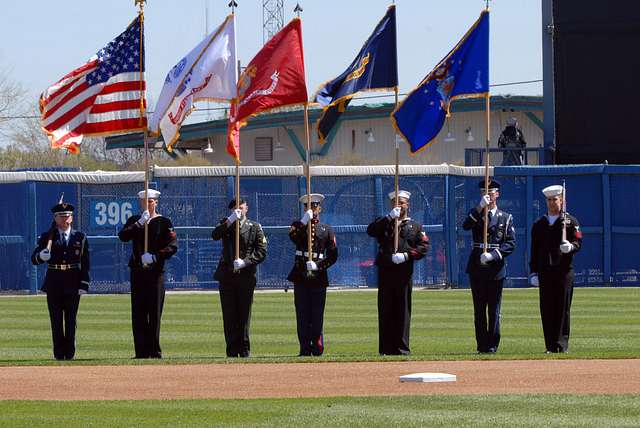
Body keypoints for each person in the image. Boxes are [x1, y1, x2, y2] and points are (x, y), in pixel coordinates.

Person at [367, 190, 430, 355]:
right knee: (385, 308)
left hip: (404, 271)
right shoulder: (384, 222)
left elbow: (424, 247)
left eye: (402, 202)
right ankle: (386, 348)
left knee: (403, 309)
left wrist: (406, 255)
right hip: (386, 270)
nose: (399, 205)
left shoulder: (415, 226)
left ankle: (402, 348)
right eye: (395, 202)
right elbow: (371, 230)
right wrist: (389, 217)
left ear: (407, 204)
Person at [118, 189, 177, 359]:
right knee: (138, 312)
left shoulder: (164, 222)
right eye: (144, 201)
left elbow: (173, 245)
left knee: (154, 311)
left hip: (155, 272)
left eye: (151, 201)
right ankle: (141, 352)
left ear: (156, 202)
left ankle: (154, 350)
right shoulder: (134, 220)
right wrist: (139, 224)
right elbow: (123, 236)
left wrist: (156, 256)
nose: (148, 204)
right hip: (138, 271)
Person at [462, 179, 516, 354]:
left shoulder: (506, 217)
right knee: (479, 308)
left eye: (492, 192)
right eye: (485, 192)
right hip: (477, 265)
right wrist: (479, 208)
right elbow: (465, 226)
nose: (489, 195)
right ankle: (481, 345)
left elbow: (510, 244)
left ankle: (492, 344)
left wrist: (493, 255)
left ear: (497, 194)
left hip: (495, 268)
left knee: (494, 308)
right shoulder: (476, 213)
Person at [31, 199, 90, 360]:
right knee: (56, 319)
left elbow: (85, 263)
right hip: (54, 281)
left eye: (67, 216)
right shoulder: (47, 237)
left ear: (71, 218)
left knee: (71, 319)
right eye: (61, 216)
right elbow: (34, 260)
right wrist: (41, 256)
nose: (64, 219)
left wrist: (84, 283)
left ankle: (69, 353)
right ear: (55, 219)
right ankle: (58, 353)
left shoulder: (80, 237)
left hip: (73, 280)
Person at [529, 184, 582, 353]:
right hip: (545, 271)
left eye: (555, 199)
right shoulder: (539, 224)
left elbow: (579, 242)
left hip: (564, 271)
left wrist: (571, 247)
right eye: (549, 200)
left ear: (562, 200)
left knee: (562, 308)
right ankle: (549, 345)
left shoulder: (570, 221)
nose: (552, 203)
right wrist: (533, 272)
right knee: (547, 308)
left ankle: (561, 344)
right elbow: (534, 250)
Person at [212, 198, 267, 357]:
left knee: (244, 314)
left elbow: (261, 252)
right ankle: (231, 349)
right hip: (227, 276)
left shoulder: (254, 227)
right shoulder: (227, 224)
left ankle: (243, 349)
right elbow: (215, 235)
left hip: (246, 276)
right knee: (229, 314)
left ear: (246, 208)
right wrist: (230, 220)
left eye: (241, 208)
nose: (239, 211)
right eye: (235, 208)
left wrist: (245, 262)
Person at [287, 193, 338, 356]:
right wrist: (303, 221)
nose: (312, 209)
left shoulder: (326, 229)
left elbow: (333, 255)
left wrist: (318, 266)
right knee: (302, 313)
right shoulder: (298, 225)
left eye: (314, 207)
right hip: (300, 274)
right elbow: (294, 238)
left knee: (317, 314)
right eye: (308, 207)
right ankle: (304, 348)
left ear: (320, 209)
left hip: (318, 277)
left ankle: (317, 346)